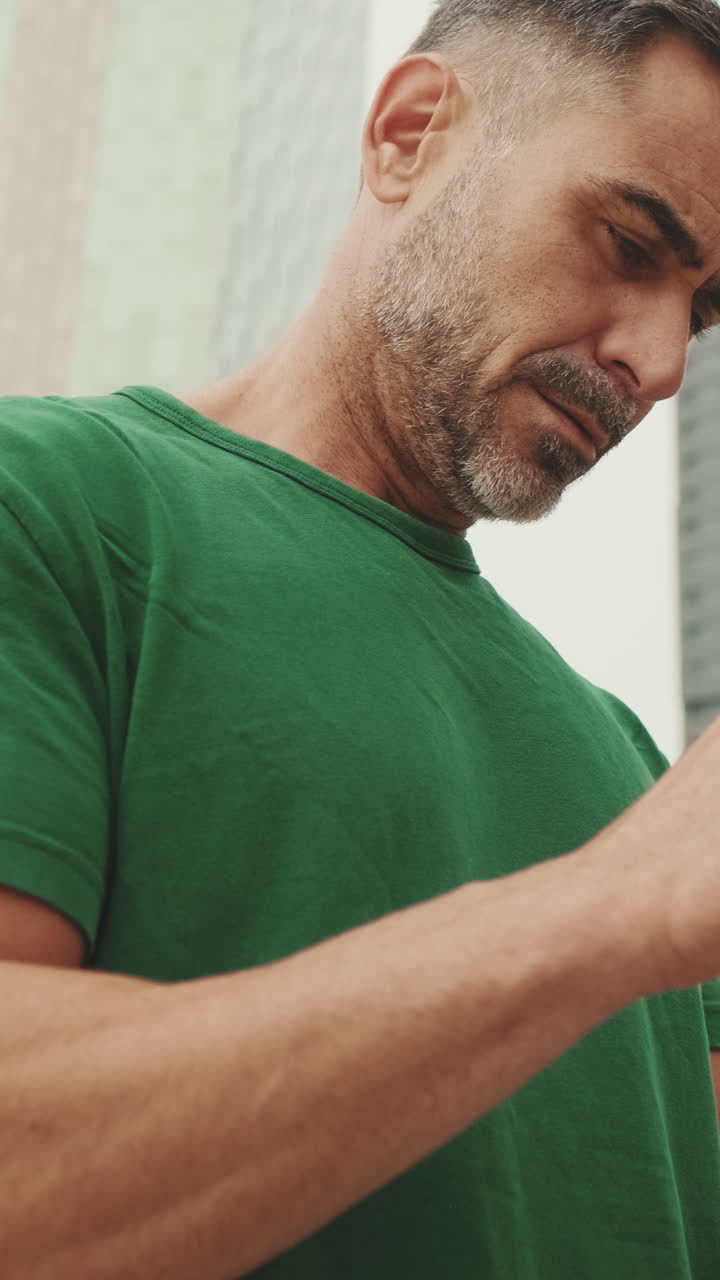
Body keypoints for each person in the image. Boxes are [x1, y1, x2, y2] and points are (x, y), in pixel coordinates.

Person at [3, 0, 720, 1275]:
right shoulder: (51, 508)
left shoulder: (636, 768)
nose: (660, 362)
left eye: (703, 317)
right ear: (409, 132)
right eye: (626, 241)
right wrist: (612, 904)